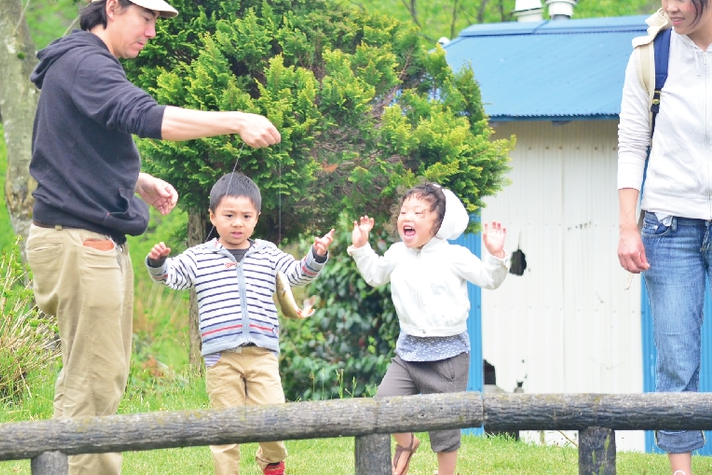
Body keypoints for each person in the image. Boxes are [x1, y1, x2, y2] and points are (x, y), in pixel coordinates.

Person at [24, 0, 282, 472]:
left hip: (90, 240)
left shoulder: (80, 62)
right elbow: (145, 116)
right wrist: (236, 120)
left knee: (102, 377)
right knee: (93, 385)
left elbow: (64, 144)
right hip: (79, 243)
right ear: (113, 8)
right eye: (147, 18)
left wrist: (134, 179)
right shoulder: (85, 62)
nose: (153, 32)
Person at [145, 172, 334, 475]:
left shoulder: (267, 254)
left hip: (262, 354)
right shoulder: (200, 257)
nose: (237, 223)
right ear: (213, 216)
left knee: (274, 420)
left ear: (256, 218)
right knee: (225, 430)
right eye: (229, 215)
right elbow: (173, 277)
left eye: (246, 216)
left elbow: (297, 274)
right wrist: (159, 262)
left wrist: (316, 255)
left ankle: (271, 461)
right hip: (221, 359)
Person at [347, 183, 508, 475]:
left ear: (439, 222)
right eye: (404, 211)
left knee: (445, 422)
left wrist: (496, 255)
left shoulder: (454, 256)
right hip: (409, 351)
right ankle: (407, 444)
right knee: (385, 403)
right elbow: (375, 275)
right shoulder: (397, 253)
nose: (408, 217)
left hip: (448, 354)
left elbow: (489, 279)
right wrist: (361, 247)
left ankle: (446, 473)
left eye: (419, 212)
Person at [617, 0, 712, 472]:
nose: (670, 7)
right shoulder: (650, 55)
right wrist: (627, 225)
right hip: (668, 223)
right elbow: (632, 142)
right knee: (676, 356)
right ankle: (681, 471)